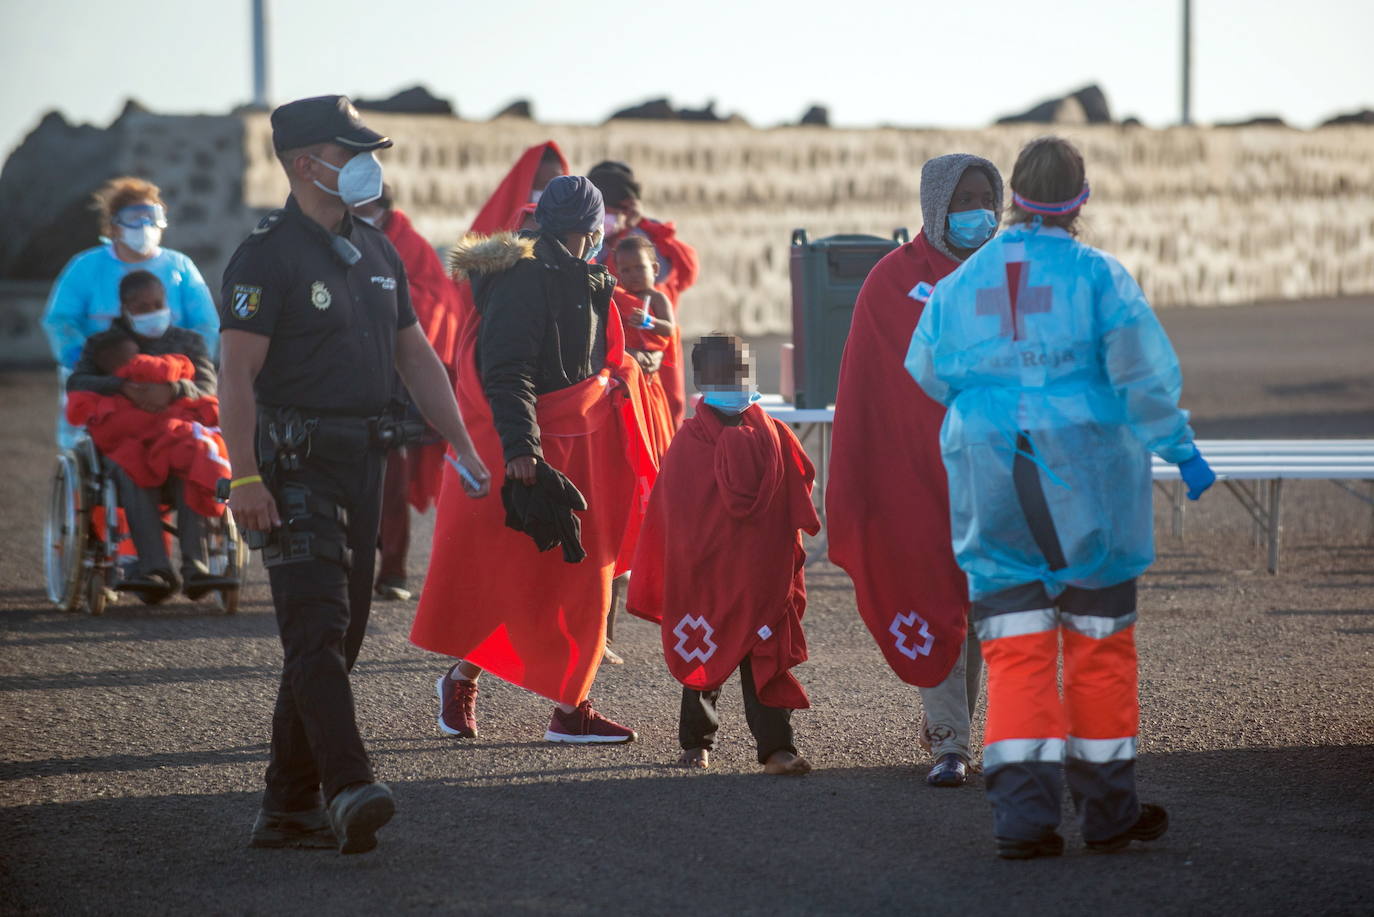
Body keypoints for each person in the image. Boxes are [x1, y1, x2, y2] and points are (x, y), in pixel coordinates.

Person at [906, 135, 1217, 859]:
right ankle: (1109, 813)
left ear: (1013, 194)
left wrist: (995, 396)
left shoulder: (967, 280)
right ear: (1082, 198)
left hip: (993, 477)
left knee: (1015, 652)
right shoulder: (1100, 277)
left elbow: (925, 366)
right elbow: (1143, 380)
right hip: (1087, 482)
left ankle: (1022, 820)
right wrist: (1182, 448)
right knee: (1097, 648)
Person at [218, 95, 490, 856]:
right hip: (293, 464)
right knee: (317, 628)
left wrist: (464, 446)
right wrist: (244, 478)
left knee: (342, 638)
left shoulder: (376, 250)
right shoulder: (266, 255)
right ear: (308, 163)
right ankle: (348, 785)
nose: (370, 163)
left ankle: (286, 808)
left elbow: (416, 357)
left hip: (365, 461)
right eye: (353, 150)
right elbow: (235, 373)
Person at [411, 175, 655, 745]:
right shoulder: (526, 279)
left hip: (565, 442)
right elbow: (508, 371)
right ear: (591, 230)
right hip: (537, 449)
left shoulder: (574, 274)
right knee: (553, 578)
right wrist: (523, 450)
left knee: (552, 581)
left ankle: (506, 691)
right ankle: (556, 708)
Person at [827, 153, 1004, 788]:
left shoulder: (1012, 272)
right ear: (935, 205)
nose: (978, 211)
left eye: (987, 197)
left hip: (1000, 475)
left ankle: (963, 727)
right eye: (964, 200)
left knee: (987, 607)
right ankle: (952, 742)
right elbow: (872, 388)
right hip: (917, 477)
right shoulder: (893, 281)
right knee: (934, 600)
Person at [628, 334, 819, 774]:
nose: (734, 380)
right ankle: (696, 742)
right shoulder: (688, 445)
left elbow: (797, 494)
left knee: (763, 655)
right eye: (723, 373)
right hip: (706, 574)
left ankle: (776, 749)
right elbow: (672, 517)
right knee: (702, 650)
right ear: (702, 379)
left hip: (760, 573)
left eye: (741, 370)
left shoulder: (775, 434)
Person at [66, 270, 223, 602]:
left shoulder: (188, 342)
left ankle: (197, 567)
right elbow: (77, 384)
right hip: (128, 442)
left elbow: (208, 388)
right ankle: (154, 569)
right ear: (125, 308)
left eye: (157, 303)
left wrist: (172, 389)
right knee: (131, 467)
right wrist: (123, 386)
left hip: (176, 432)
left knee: (191, 460)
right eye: (142, 306)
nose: (152, 311)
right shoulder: (102, 345)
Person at [43, 176, 219, 447]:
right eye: (134, 218)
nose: (145, 226)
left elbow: (205, 323)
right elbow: (60, 320)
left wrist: (182, 369)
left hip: (171, 376)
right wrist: (90, 361)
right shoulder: (85, 268)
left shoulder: (180, 267)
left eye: (152, 216)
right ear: (114, 225)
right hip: (105, 371)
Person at [351, 186, 464, 602]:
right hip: (346, 369)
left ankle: (393, 569)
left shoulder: (409, 244)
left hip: (398, 375)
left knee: (393, 474)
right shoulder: (333, 236)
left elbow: (438, 300)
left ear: (382, 208)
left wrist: (380, 300)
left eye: (364, 206)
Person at [587, 160, 699, 427]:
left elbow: (685, 272)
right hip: (617, 353)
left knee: (663, 419)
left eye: (610, 211)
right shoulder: (592, 242)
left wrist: (643, 226)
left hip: (658, 348)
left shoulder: (645, 241)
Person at [610, 236, 677, 464]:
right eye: (626, 270)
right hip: (628, 375)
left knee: (655, 429)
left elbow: (669, 329)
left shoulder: (657, 298)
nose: (634, 275)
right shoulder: (618, 298)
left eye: (640, 267)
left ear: (655, 268)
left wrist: (649, 322)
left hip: (650, 379)